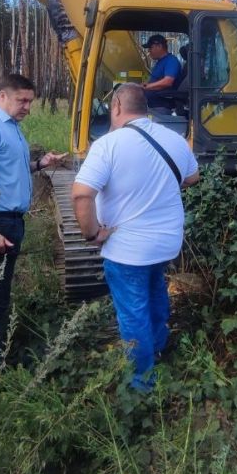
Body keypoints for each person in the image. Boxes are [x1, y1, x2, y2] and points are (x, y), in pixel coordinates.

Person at [71, 82, 199, 391]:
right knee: (155, 291)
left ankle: (143, 381)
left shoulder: (108, 145)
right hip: (166, 243)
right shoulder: (175, 139)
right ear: (145, 108)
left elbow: (81, 195)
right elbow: (193, 177)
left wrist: (92, 234)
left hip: (127, 248)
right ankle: (158, 347)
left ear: (116, 107)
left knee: (133, 311)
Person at [0, 73, 67, 353]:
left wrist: (41, 163)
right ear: (2, 96)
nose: (27, 107)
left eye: (30, 101)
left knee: (0, 296)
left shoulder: (12, 128)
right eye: (22, 100)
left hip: (12, 223)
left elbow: (10, 170)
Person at [141, 34, 182, 114]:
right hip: (152, 105)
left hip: (161, 107)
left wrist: (146, 87)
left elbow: (168, 81)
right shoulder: (160, 62)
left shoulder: (171, 61)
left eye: (150, 48)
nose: (149, 51)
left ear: (159, 46)